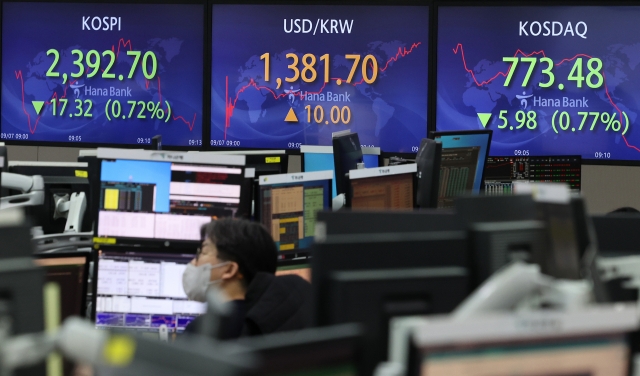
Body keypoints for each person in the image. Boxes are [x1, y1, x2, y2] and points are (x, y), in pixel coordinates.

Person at [183, 218, 313, 339]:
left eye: (204, 252)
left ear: (229, 270)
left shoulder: (206, 331)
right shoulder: (288, 315)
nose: (194, 262)